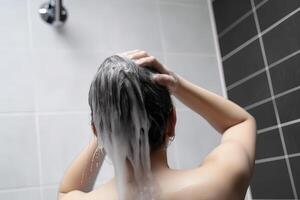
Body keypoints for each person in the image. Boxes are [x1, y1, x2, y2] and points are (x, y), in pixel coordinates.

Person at [58, 50, 257, 200]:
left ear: (99, 132)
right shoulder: (219, 183)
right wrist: (178, 85)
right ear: (172, 122)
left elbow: (66, 190)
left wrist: (109, 123)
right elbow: (240, 123)